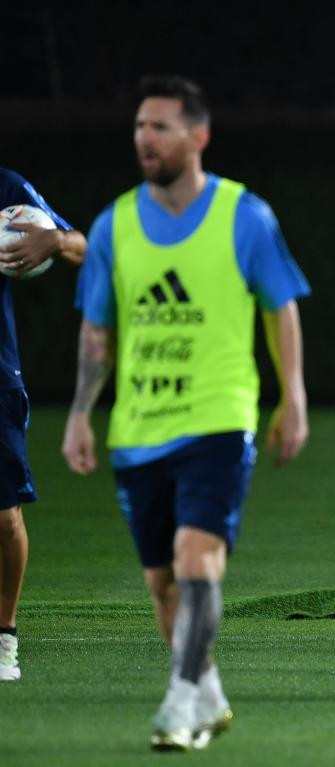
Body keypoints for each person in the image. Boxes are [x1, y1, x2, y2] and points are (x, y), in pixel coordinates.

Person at [61, 75, 310, 750]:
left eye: (161, 126)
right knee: (162, 583)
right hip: (139, 427)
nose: (146, 137)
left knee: (196, 558)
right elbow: (97, 332)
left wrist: (293, 394)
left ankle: (178, 698)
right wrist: (81, 411)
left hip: (220, 418)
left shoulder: (244, 214)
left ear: (197, 136)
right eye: (140, 125)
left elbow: (279, 304)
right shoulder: (114, 223)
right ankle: (209, 693)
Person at [0, 168, 88, 682]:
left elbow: (79, 246)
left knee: (4, 515)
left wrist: (52, 241)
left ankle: (4, 635)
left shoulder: (6, 188)